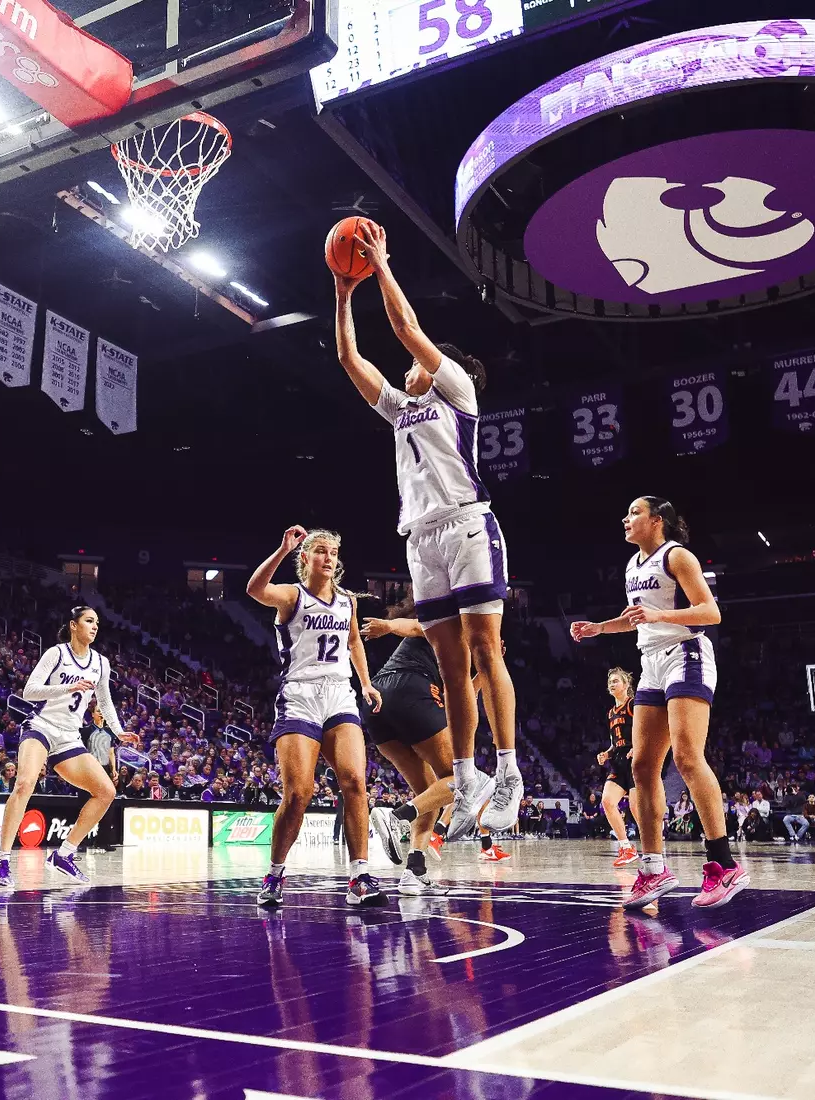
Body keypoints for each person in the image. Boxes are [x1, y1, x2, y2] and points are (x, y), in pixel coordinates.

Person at [332, 225, 523, 841]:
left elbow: (406, 328)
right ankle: (467, 779)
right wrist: (343, 293)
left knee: (485, 649)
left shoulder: (458, 394)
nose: (410, 366)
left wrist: (382, 266)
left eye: (419, 362)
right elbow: (349, 360)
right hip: (420, 538)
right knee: (449, 665)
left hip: (467, 523)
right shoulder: (399, 409)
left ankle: (510, 771)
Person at [570, 497, 748, 909]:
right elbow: (638, 617)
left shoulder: (677, 556)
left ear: (657, 520)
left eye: (634, 512)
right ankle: (653, 869)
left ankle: (724, 864)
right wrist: (600, 628)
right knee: (641, 767)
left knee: (687, 757)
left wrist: (659, 617)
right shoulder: (633, 566)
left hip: (686, 653)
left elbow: (710, 612)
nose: (625, 518)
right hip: (650, 662)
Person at [246, 527, 385, 907]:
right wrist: (281, 549)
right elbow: (255, 590)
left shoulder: (347, 601)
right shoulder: (293, 595)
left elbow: (353, 641)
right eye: (321, 551)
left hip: (339, 692)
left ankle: (359, 877)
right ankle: (274, 873)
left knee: (355, 781)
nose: (329, 558)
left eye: (334, 552)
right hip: (300, 694)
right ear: (306, 557)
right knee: (299, 794)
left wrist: (366, 683)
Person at [362, 600, 489, 896]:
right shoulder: (453, 623)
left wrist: (483, 672)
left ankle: (414, 872)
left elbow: (458, 695)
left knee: (429, 795)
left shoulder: (456, 649)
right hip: (411, 689)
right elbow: (417, 627)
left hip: (378, 700)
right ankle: (396, 818)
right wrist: (389, 626)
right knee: (462, 779)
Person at [0, 606, 121, 891]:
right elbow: (30, 691)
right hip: (41, 726)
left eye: (97, 622)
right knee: (24, 784)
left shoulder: (101, 663)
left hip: (69, 736)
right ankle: (2, 862)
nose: (95, 626)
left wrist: (119, 731)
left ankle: (64, 854)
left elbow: (105, 701)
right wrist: (67, 688)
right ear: (74, 625)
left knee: (106, 792)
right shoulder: (57, 653)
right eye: (89, 621)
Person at [592, 667, 639, 867]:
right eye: (610, 682)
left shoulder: (633, 704)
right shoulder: (611, 712)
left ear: (626, 684)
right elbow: (614, 743)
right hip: (619, 760)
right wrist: (607, 753)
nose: (612, 684)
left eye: (616, 681)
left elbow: (645, 729)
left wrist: (638, 747)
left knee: (636, 808)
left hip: (635, 760)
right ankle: (626, 848)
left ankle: (653, 850)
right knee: (607, 802)